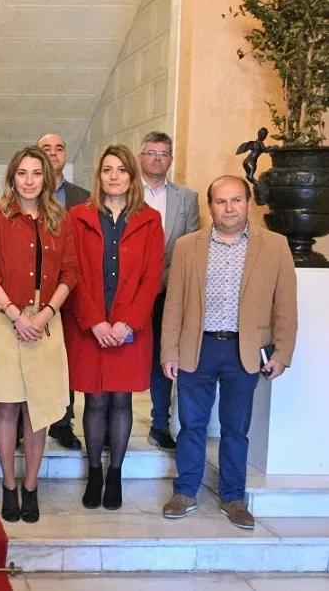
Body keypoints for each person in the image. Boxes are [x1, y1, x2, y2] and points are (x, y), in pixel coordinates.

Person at [161, 175, 297, 530]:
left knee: (236, 428)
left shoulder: (275, 246)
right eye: (221, 201)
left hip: (245, 350)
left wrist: (282, 352)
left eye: (236, 200)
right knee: (191, 424)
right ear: (210, 207)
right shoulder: (187, 246)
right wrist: (169, 351)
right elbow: (173, 303)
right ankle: (185, 491)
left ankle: (234, 498)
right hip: (197, 347)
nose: (229, 208)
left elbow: (285, 305)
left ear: (248, 204)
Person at [0, 146, 78, 523]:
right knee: (7, 404)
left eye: (36, 173)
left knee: (39, 409)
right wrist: (16, 315)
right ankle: (8, 484)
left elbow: (70, 272)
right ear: (12, 178)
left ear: (46, 178)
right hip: (5, 318)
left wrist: (47, 312)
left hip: (46, 320)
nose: (30, 180)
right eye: (22, 173)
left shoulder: (60, 219)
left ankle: (31, 486)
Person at [62, 144, 164, 511]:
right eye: (107, 170)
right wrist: (94, 321)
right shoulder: (77, 216)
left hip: (129, 326)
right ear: (99, 176)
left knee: (121, 398)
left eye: (121, 170)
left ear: (132, 176)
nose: (114, 176)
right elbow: (71, 271)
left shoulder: (150, 219)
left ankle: (115, 474)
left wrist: (127, 322)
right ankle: (94, 473)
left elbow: (152, 277)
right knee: (94, 399)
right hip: (90, 325)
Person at [136, 131, 200, 451]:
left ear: (170, 160)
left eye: (163, 154)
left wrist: (162, 280)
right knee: (123, 353)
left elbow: (189, 246)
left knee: (163, 356)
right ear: (140, 158)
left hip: (169, 291)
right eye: (151, 152)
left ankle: (159, 423)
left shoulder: (187, 198)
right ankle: (110, 423)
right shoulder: (125, 192)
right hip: (129, 290)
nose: (157, 158)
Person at [36, 133, 89, 450]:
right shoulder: (25, 190)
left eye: (60, 148)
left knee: (64, 356)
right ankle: (27, 421)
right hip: (32, 289)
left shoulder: (83, 197)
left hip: (71, 289)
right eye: (47, 148)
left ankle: (61, 421)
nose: (54, 153)